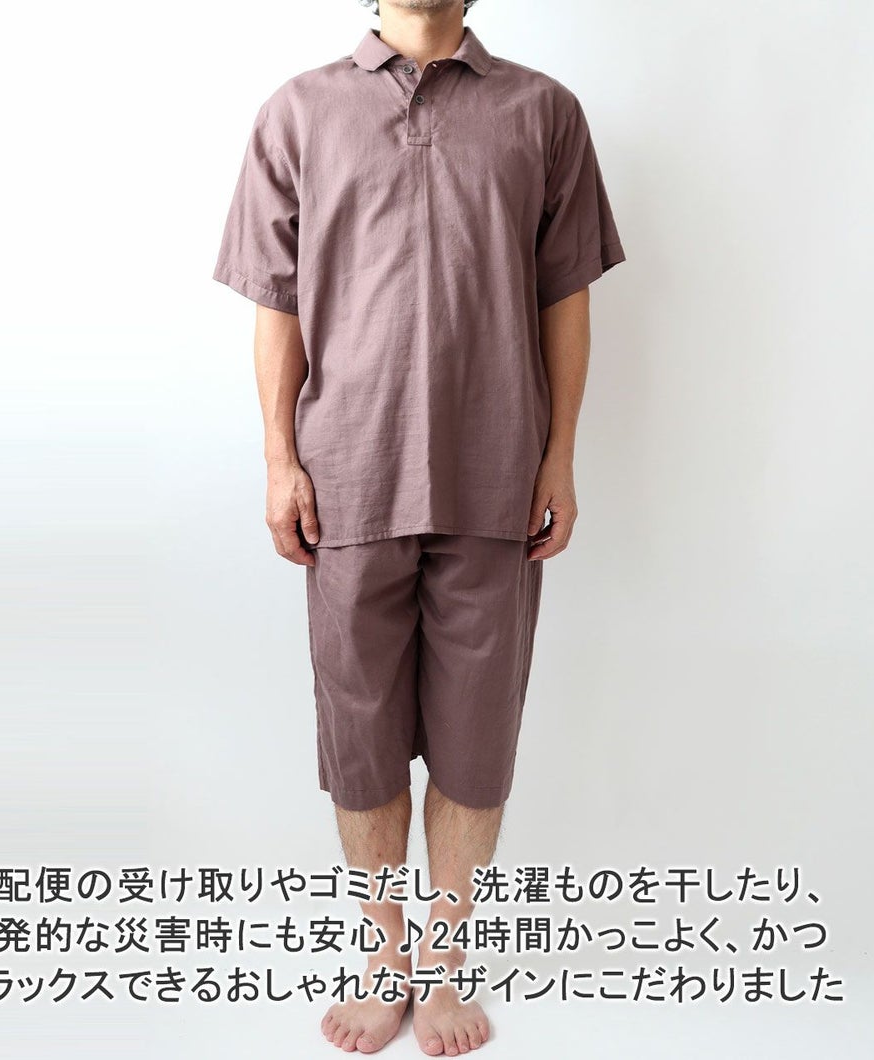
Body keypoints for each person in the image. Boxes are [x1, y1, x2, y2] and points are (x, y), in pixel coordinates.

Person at [212, 0, 625, 1053]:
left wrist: (559, 455)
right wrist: (279, 459)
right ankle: (384, 956)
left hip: (495, 473)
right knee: (360, 740)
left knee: (475, 742)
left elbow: (565, 297)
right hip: (347, 475)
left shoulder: (543, 112)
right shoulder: (298, 112)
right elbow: (276, 303)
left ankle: (443, 964)